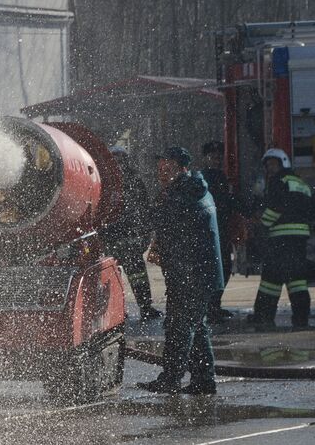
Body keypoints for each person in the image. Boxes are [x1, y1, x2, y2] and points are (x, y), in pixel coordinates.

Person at [137, 147, 222, 396]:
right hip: (194, 273)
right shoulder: (189, 189)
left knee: (179, 326)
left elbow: (155, 219)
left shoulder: (185, 193)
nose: (162, 174)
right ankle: (204, 381)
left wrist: (119, 223)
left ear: (183, 169)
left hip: (192, 275)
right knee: (197, 327)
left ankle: (170, 379)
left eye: (168, 168)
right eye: (160, 169)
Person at [245, 148, 313, 331]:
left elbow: (275, 207)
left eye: (273, 164)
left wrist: (261, 225)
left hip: (281, 240)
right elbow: (313, 211)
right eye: (267, 165)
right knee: (297, 281)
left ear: (283, 163)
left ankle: (263, 316)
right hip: (299, 242)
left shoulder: (278, 182)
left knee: (270, 280)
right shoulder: (302, 184)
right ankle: (301, 318)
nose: (269, 168)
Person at [102, 146, 160, 320]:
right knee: (113, 277)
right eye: (116, 159)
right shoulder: (105, 181)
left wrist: (146, 231)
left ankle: (146, 308)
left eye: (122, 159)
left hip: (130, 238)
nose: (119, 163)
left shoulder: (133, 180)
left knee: (139, 277)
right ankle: (117, 312)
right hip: (111, 237)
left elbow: (143, 207)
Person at [198, 140, 240, 321]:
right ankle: (211, 306)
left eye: (218, 157)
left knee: (223, 266)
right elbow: (225, 201)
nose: (216, 160)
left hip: (218, 230)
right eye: (212, 157)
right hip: (213, 231)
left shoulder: (213, 176)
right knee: (220, 267)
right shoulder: (206, 177)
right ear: (206, 158)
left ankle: (213, 305)